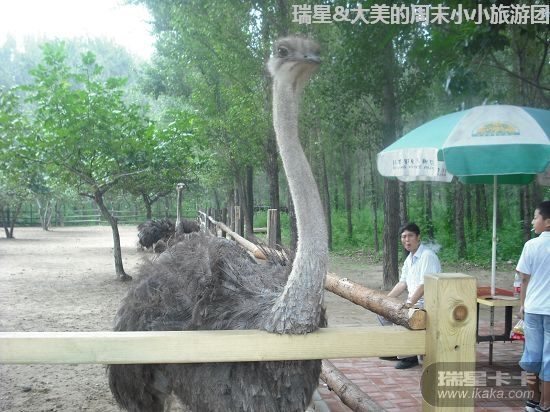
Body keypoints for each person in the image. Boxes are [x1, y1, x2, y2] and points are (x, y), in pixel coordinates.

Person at [379, 222, 441, 369]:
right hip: (415, 302)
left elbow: (424, 285)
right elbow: (402, 283)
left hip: (428, 304)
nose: (407, 240)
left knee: (401, 315)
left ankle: (410, 356)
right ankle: (397, 350)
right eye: (403, 237)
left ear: (418, 237)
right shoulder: (409, 259)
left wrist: (409, 304)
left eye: (410, 236)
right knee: (382, 313)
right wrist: (385, 300)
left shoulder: (427, 256)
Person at [516, 200, 550, 412]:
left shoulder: (531, 245)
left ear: (548, 221)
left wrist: (522, 305)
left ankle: (533, 400)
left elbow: (524, 279)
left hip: (534, 309)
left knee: (531, 355)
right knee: (549, 358)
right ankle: (546, 404)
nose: (532, 221)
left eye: (536, 217)